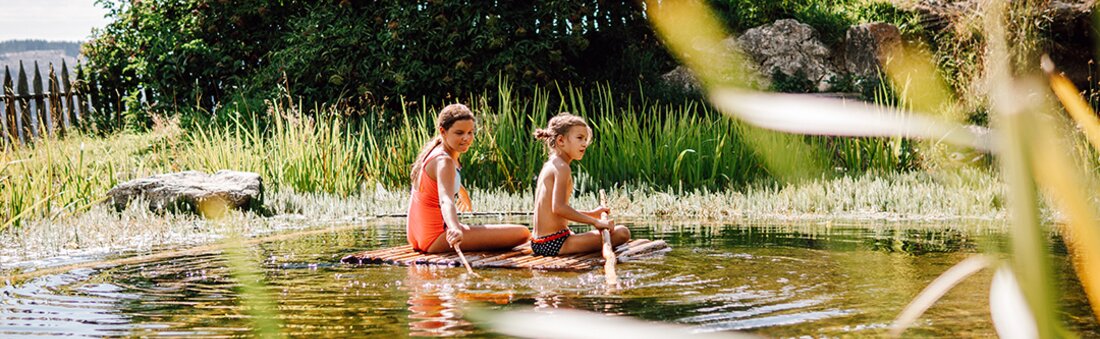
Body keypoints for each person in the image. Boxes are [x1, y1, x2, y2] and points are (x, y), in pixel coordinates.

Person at [407, 103, 530, 253]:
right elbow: (445, 200)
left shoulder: (435, 153)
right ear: (443, 131)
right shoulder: (444, 160)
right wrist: (454, 228)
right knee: (522, 233)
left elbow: (440, 184)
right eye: (459, 133)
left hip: (416, 237)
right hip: (435, 239)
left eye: (470, 132)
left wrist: (462, 191)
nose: (466, 138)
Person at [530, 112, 630, 256]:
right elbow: (559, 208)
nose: (584, 143)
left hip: (538, 242)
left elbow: (554, 212)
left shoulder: (551, 164)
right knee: (622, 233)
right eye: (579, 138)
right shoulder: (563, 168)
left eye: (585, 139)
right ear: (561, 141)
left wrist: (592, 214)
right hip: (553, 243)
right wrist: (595, 222)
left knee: (616, 232)